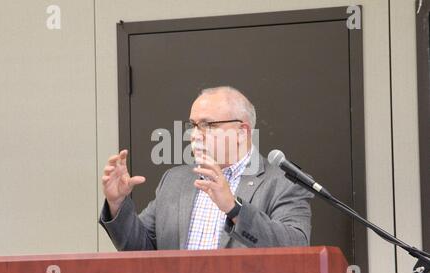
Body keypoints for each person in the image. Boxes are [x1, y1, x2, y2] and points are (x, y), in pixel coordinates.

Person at [99, 86, 313, 250]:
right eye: (193, 125)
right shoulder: (175, 180)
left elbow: (295, 245)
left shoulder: (282, 183)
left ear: (242, 132)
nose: (194, 134)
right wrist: (117, 203)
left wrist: (234, 208)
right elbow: (140, 248)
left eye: (208, 125)